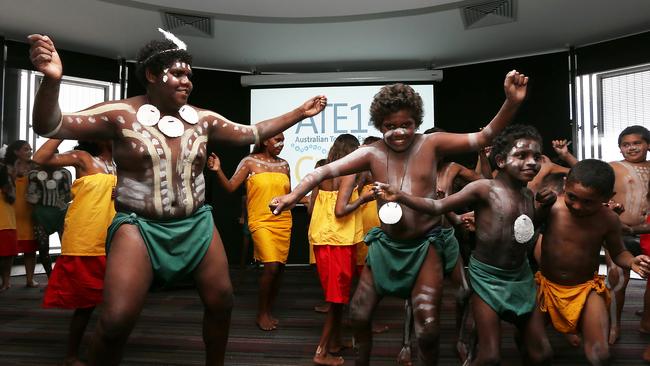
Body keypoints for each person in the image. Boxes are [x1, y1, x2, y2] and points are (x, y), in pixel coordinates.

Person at [28, 31, 326, 365]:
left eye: (189, 76)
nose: (187, 82)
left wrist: (299, 113)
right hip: (139, 228)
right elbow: (49, 125)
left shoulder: (203, 119)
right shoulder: (119, 114)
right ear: (153, 75)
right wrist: (52, 81)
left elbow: (253, 132)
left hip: (196, 224)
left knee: (222, 301)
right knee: (116, 320)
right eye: (178, 74)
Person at [270, 70, 529, 365]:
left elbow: (483, 136)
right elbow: (322, 172)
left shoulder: (432, 144)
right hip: (386, 247)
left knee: (429, 328)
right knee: (358, 314)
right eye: (390, 126)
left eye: (406, 124)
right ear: (380, 126)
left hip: (425, 246)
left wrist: (510, 102)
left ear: (416, 123)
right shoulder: (371, 152)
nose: (399, 132)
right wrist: (293, 197)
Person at [374, 124, 554, 365]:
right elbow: (438, 206)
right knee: (489, 357)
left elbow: (523, 229)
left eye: (536, 157)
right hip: (487, 278)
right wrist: (401, 196)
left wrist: (543, 208)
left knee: (543, 354)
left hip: (520, 276)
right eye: (521, 155)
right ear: (500, 160)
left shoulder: (528, 195)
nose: (531, 162)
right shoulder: (484, 188)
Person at [536, 159, 650, 365]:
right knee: (536, 352)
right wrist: (538, 205)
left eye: (588, 202)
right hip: (546, 286)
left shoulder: (608, 219)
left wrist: (632, 261)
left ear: (608, 198)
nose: (578, 206)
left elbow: (618, 253)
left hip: (585, 290)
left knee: (600, 355)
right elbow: (524, 224)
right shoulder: (552, 208)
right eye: (572, 197)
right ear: (565, 184)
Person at [34, 138, 116, 366]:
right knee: (86, 304)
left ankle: (102, 350)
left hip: (112, 238)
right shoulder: (83, 158)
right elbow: (40, 159)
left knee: (116, 303)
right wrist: (61, 131)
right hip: (86, 237)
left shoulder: (117, 165)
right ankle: (71, 355)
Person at [207, 132, 292, 331]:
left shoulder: (285, 165)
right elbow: (230, 187)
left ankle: (269, 310)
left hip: (284, 221)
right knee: (270, 267)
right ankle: (261, 313)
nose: (281, 144)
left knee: (279, 270)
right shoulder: (249, 162)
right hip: (260, 221)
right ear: (264, 140)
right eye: (277, 139)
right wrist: (218, 170)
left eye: (283, 140)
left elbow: (289, 194)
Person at [307, 133, 373, 365]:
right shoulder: (349, 173)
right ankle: (321, 352)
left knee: (338, 294)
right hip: (339, 240)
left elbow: (314, 205)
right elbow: (340, 210)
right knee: (336, 299)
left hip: (323, 238)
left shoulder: (325, 169)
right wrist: (363, 199)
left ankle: (336, 342)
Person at [605, 125, 650, 344]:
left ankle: (647, 321)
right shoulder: (613, 167)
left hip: (648, 232)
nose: (631, 148)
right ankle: (614, 326)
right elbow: (594, 186)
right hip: (620, 232)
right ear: (620, 149)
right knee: (617, 280)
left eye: (637, 143)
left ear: (648, 145)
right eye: (626, 144)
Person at [26, 162, 72, 277]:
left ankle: (64, 277)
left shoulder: (65, 173)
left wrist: (59, 203)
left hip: (61, 214)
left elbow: (70, 193)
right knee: (42, 247)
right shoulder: (34, 174)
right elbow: (30, 194)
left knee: (67, 247)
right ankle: (50, 277)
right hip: (41, 214)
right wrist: (37, 200)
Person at [4, 140, 39, 287]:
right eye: (26, 149)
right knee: (8, 250)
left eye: (30, 149)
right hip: (9, 212)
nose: (30, 151)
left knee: (30, 249)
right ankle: (6, 281)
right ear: (16, 151)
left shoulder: (35, 167)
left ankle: (30, 279)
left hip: (29, 212)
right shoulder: (5, 168)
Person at [0, 155, 16, 291]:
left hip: (6, 222)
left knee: (6, 255)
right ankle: (5, 281)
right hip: (6, 222)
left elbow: (12, 198)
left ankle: (6, 281)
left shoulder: (8, 184)